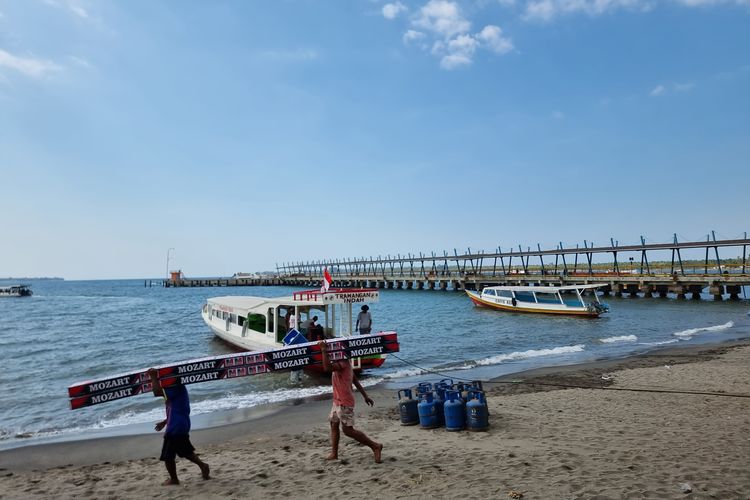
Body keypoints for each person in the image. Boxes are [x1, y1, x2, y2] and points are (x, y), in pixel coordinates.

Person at [318, 341, 382, 463]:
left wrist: (323, 350)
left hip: (344, 402)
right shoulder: (344, 362)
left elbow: (326, 368)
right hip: (336, 401)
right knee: (333, 424)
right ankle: (334, 453)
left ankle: (375, 446)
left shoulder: (342, 363)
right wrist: (365, 396)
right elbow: (355, 380)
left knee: (348, 430)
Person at [148, 368, 210, 486]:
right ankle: (202, 466)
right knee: (184, 451)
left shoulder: (175, 388)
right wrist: (164, 422)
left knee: (168, 455)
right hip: (178, 423)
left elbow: (156, 392)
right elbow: (175, 409)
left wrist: (153, 376)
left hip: (176, 426)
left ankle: (176, 479)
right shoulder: (177, 389)